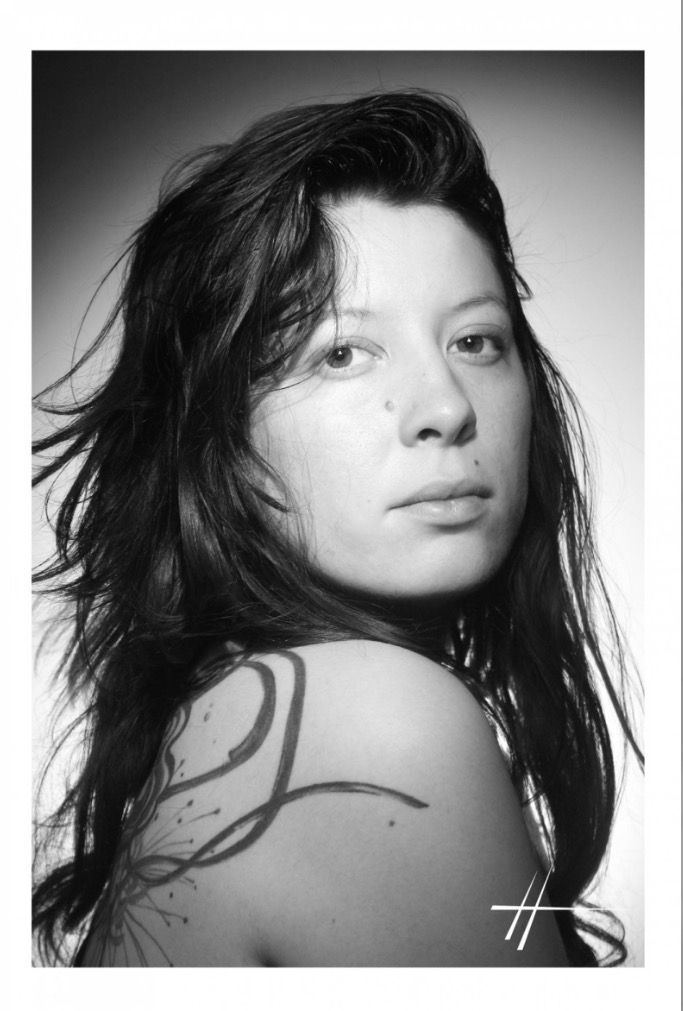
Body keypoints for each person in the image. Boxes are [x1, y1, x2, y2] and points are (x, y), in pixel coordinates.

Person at [32, 89, 643, 967]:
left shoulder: (240, 701)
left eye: (475, 341)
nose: (445, 408)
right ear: (221, 440)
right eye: (342, 353)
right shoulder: (371, 716)